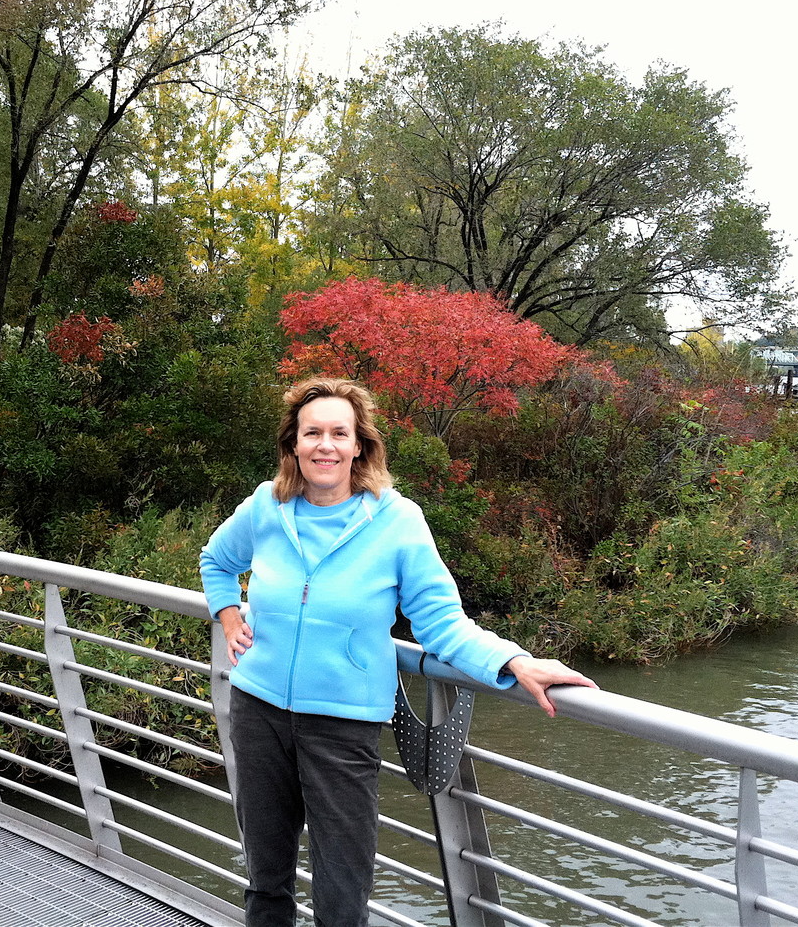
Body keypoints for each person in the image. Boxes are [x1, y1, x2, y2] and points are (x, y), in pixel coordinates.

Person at [200, 377, 598, 927]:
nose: (325, 445)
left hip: (342, 724)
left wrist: (512, 661)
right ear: (292, 442)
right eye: (312, 432)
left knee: (344, 890)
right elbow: (216, 560)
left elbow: (439, 621)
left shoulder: (396, 520)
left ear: (360, 445)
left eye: (340, 433)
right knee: (266, 879)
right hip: (258, 708)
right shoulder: (266, 506)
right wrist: (227, 613)